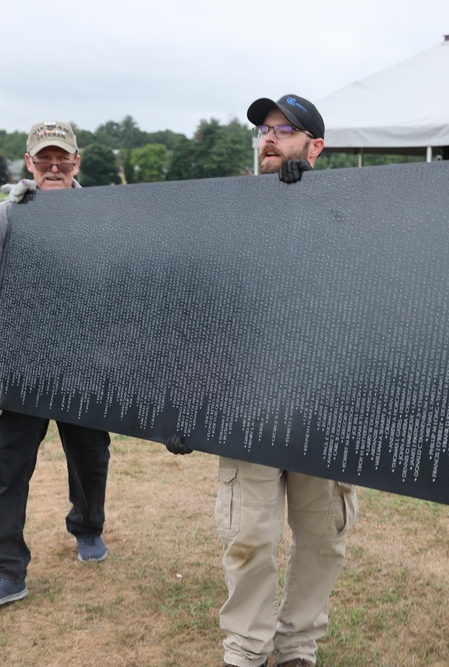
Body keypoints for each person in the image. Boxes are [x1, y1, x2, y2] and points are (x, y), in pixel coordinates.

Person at [166, 94, 358, 667]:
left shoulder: (350, 214)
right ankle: (247, 648)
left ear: (315, 147)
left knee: (324, 536)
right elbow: (202, 311)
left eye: (285, 129)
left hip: (322, 406)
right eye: (264, 130)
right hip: (246, 404)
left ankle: (297, 646)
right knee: (248, 535)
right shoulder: (231, 215)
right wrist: (186, 400)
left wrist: (309, 210)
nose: (269, 138)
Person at [0, 120, 112, 607]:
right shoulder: (7, 218)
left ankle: (87, 527)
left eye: (62, 158)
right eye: (43, 158)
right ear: (29, 163)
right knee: (5, 467)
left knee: (90, 457)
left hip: (82, 363)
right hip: (20, 367)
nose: (53, 166)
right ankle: (6, 570)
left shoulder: (102, 216)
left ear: (76, 162)